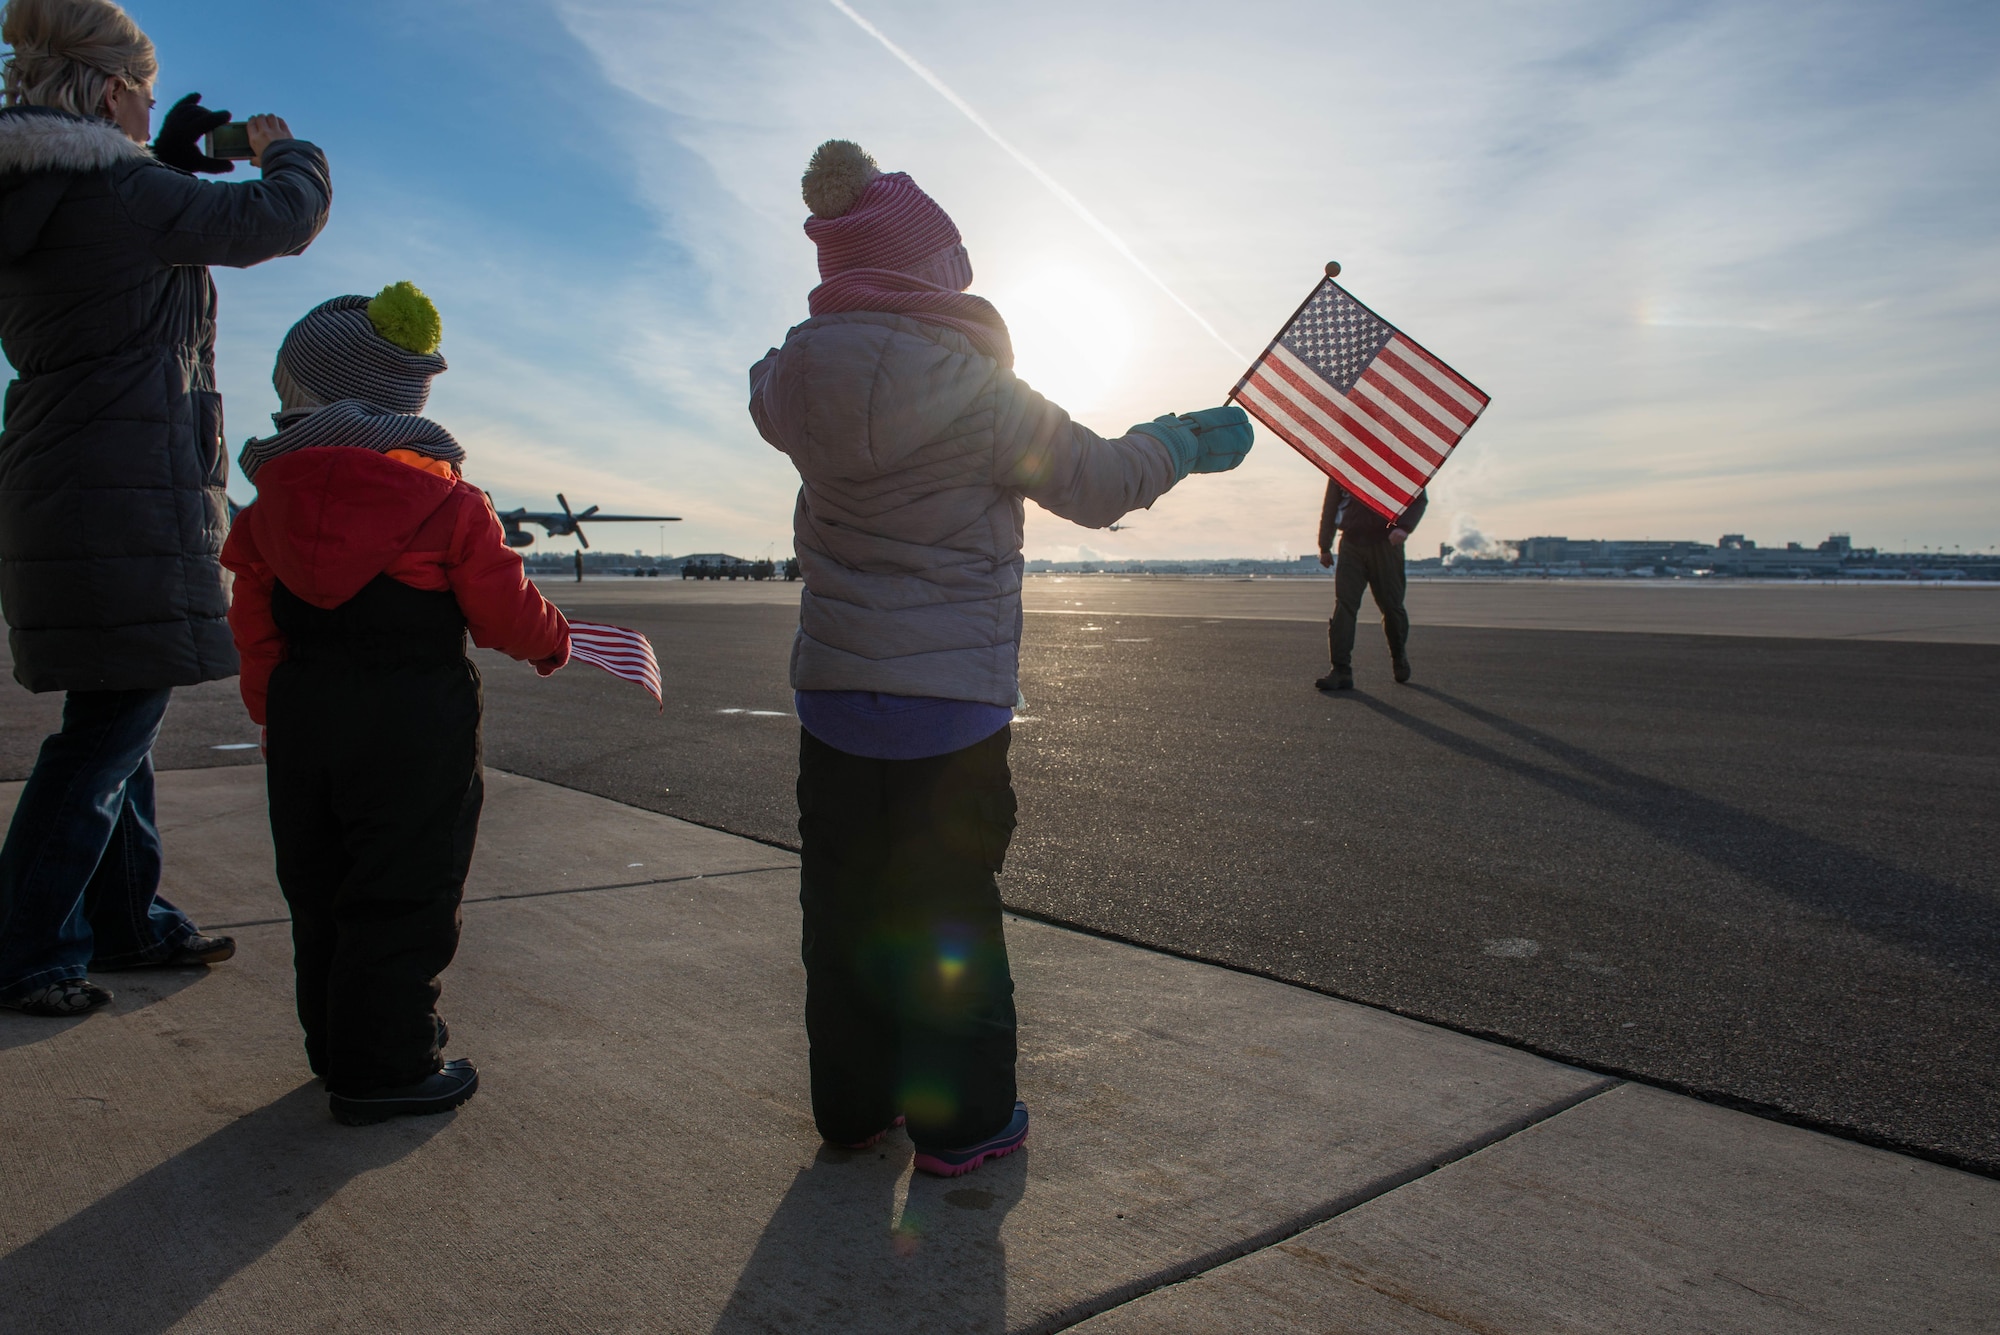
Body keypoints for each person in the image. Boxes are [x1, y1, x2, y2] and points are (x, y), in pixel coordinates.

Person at [749, 140, 1253, 1177]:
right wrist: (1183, 441)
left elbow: (781, 398)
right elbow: (1101, 481)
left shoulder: (789, 382)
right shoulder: (977, 394)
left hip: (835, 694)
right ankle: (964, 1125)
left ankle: (851, 1108)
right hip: (947, 709)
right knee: (948, 927)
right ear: (929, 273)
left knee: (841, 916)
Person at [0, 0, 331, 1017]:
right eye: (142, 91)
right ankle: (25, 948)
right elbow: (277, 224)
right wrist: (290, 154)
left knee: (114, 707)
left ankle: (122, 920)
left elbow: (126, 249)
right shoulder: (120, 188)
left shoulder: (47, 190)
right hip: (124, 475)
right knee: (111, 724)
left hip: (69, 470)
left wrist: (172, 159)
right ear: (107, 91)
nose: (152, 107)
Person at [220, 283, 570, 1124]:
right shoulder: (449, 502)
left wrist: (273, 715)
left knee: (320, 882)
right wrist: (552, 642)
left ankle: (334, 1046)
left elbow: (255, 628)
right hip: (415, 720)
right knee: (406, 886)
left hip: (307, 714)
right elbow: (502, 609)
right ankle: (388, 1065)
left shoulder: (268, 511)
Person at [1315, 477, 1427, 691]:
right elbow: (1330, 505)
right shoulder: (1343, 466)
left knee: (1392, 607)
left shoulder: (1396, 458)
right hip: (1351, 542)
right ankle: (1340, 670)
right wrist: (1324, 545)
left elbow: (1419, 498)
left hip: (1385, 543)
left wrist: (1404, 528)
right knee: (1344, 607)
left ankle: (1398, 656)